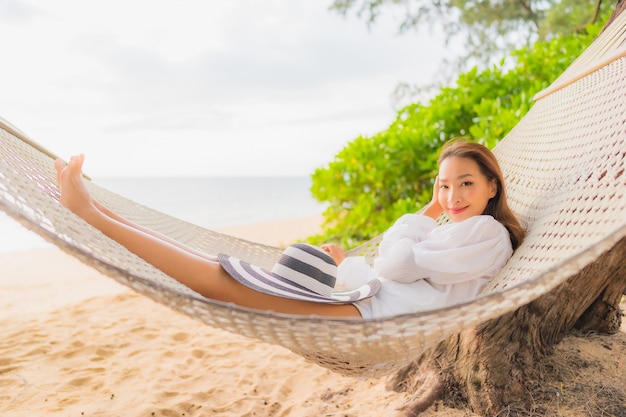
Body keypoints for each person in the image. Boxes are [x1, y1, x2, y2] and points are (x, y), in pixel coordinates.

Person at [54, 139, 525, 319]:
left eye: (466, 183)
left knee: (219, 281)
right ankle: (101, 213)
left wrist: (420, 216)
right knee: (223, 268)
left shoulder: (489, 235)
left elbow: (399, 265)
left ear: (491, 186)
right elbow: (405, 265)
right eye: (443, 186)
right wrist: (349, 265)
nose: (453, 196)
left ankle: (93, 216)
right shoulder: (458, 230)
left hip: (376, 316)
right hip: (363, 298)